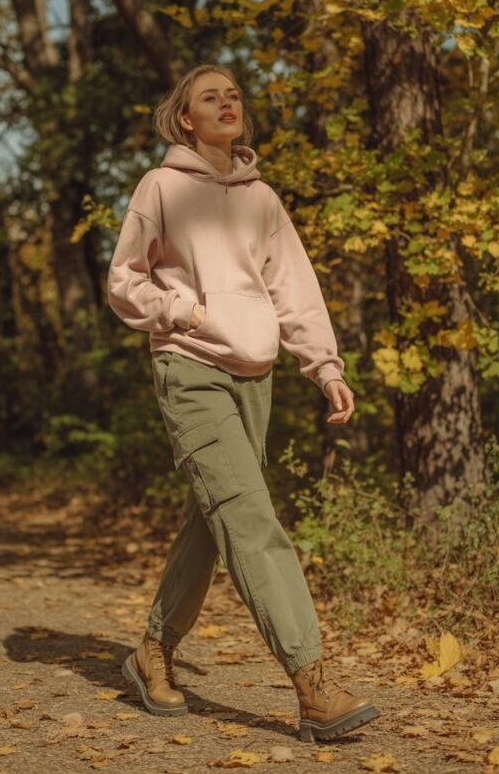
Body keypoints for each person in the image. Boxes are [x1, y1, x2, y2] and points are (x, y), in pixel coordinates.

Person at [106, 62, 380, 743]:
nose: (227, 103)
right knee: (250, 518)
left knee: (216, 516)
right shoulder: (161, 186)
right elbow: (123, 280)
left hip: (255, 377)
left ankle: (153, 651)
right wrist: (185, 311)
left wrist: (324, 366)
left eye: (234, 95)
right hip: (189, 367)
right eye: (210, 97)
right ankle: (312, 683)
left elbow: (295, 290)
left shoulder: (262, 198)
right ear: (185, 118)